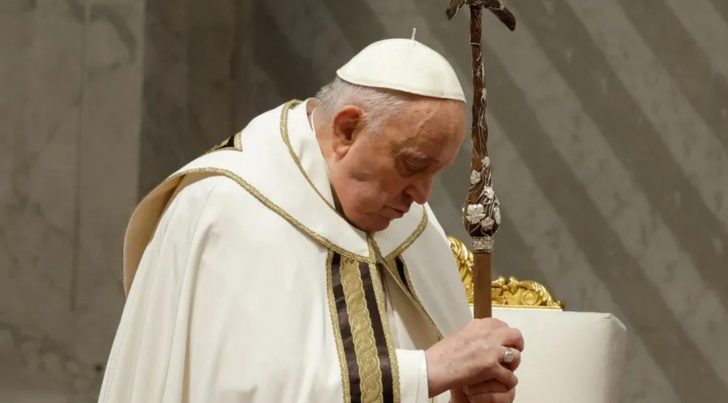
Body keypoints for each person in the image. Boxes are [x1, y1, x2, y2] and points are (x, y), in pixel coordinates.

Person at [99, 37, 524, 403]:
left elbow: (448, 371)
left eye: (436, 173)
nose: (422, 196)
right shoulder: (228, 208)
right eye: (412, 165)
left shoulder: (409, 226)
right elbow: (237, 392)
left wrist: (466, 390)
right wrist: (426, 372)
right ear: (346, 130)